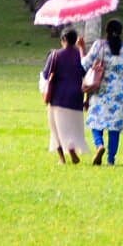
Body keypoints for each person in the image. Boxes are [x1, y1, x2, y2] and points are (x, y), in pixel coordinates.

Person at [82, 18, 123, 165]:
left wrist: (81, 48)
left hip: (100, 91)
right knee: (114, 127)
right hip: (119, 95)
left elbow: (85, 64)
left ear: (106, 31)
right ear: (121, 32)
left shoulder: (98, 46)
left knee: (96, 121)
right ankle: (111, 160)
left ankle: (99, 145)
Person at [42, 27, 88, 164]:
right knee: (72, 127)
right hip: (76, 97)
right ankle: (72, 148)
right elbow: (85, 70)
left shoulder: (55, 54)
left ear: (63, 40)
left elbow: (46, 74)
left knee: (56, 128)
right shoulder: (79, 55)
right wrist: (82, 49)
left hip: (58, 96)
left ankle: (63, 158)